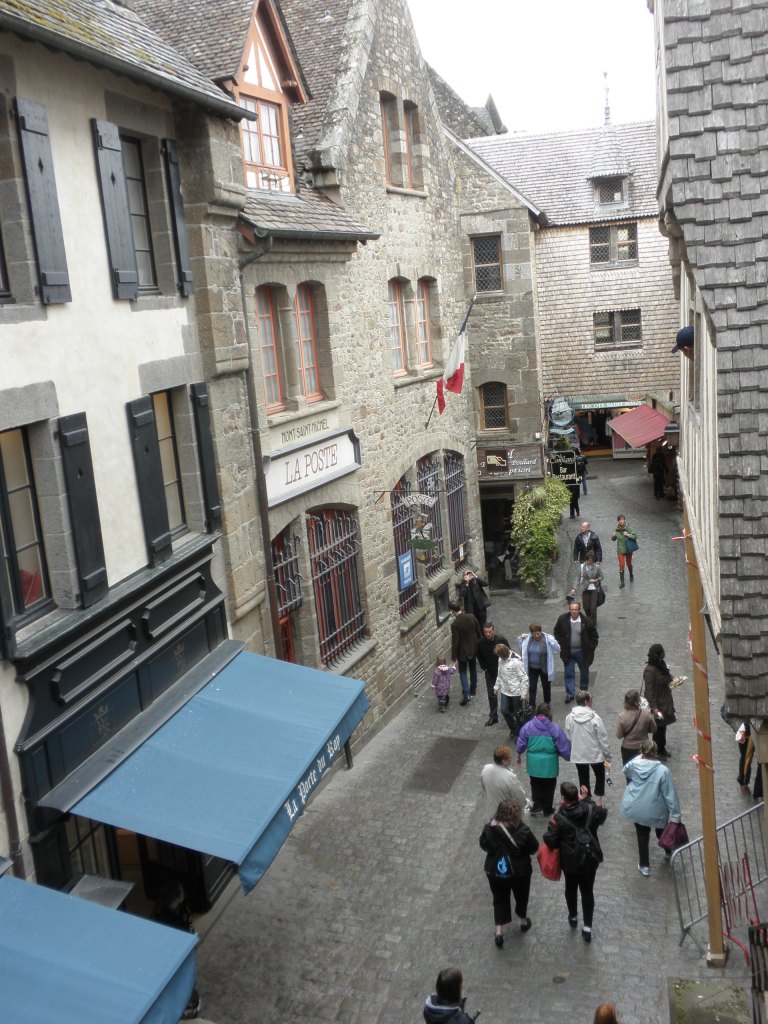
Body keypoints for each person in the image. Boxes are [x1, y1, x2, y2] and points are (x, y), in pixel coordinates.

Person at [543, 781, 607, 942]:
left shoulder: (558, 818)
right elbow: (601, 815)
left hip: (570, 861)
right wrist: (587, 800)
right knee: (587, 890)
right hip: (589, 858)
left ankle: (573, 916)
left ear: (563, 797)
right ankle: (587, 927)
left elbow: (551, 841)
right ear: (577, 796)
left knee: (570, 888)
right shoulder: (589, 809)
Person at [479, 798, 539, 946]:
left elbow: (483, 845)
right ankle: (523, 921)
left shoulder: (489, 828)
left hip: (495, 870)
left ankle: (499, 932)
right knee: (521, 896)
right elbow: (534, 848)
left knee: (499, 898)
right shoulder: (524, 830)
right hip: (520, 871)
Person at [621, 739, 682, 876]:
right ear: (655, 753)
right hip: (657, 809)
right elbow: (670, 794)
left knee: (642, 836)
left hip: (637, 806)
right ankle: (668, 850)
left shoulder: (634, 765)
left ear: (641, 752)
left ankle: (644, 865)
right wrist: (676, 816)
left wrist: (639, 756)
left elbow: (625, 770)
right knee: (662, 831)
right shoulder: (663, 771)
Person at [153, 880, 201, 1019]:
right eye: (181, 892)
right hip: (174, 952)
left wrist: (193, 938)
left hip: (186, 947)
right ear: (176, 897)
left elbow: (189, 925)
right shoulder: (162, 916)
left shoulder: (183, 907)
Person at [516, 704, 571, 816]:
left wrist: (518, 754)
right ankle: (547, 808)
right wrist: (568, 756)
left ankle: (537, 804)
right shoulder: (554, 728)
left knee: (535, 783)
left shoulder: (528, 726)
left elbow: (521, 742)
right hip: (550, 763)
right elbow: (563, 745)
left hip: (533, 763)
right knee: (549, 785)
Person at [565, 691, 611, 805]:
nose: (592, 702)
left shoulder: (569, 718)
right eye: (591, 700)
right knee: (600, 775)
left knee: (583, 777)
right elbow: (603, 738)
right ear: (586, 702)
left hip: (578, 754)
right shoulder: (595, 718)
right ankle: (599, 800)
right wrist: (607, 755)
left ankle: (586, 799)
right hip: (595, 754)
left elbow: (568, 736)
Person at [553, 601, 599, 702]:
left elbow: (594, 636)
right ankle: (570, 694)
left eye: (576, 609)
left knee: (584, 672)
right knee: (568, 672)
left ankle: (583, 691)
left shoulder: (586, 621)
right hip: (568, 652)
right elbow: (557, 632)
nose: (574, 611)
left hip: (581, 652)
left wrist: (591, 647)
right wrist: (560, 643)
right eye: (572, 609)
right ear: (569, 610)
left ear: (579, 610)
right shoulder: (562, 619)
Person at [643, 644, 676, 758]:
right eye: (663, 651)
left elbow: (667, 677)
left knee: (663, 726)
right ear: (659, 654)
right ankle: (655, 751)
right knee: (657, 729)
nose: (665, 652)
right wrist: (654, 708)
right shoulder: (650, 671)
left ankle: (662, 748)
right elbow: (649, 692)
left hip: (665, 701)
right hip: (657, 704)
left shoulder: (661, 664)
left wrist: (675, 681)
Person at [476, 622, 511, 726]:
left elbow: (508, 652)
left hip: (503, 671)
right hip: (490, 672)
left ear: (493, 631)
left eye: (490, 632)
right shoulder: (480, 643)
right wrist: (484, 667)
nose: (488, 634)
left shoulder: (501, 640)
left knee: (508, 691)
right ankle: (493, 716)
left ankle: (510, 712)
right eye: (486, 632)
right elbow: (479, 656)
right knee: (491, 694)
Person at [517, 623, 560, 707]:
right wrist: (520, 638)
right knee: (532, 687)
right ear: (531, 633)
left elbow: (557, 648)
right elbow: (522, 650)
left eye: (538, 633)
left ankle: (547, 703)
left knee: (546, 686)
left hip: (544, 668)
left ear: (541, 632)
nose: (536, 636)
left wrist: (552, 649)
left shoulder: (547, 639)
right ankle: (532, 705)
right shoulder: (528, 639)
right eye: (534, 634)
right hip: (532, 668)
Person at [449, 600, 481, 706]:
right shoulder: (471, 617)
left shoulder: (455, 624)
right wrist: (480, 644)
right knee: (473, 669)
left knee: (462, 672)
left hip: (462, 652)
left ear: (453, 611)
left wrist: (453, 658)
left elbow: (455, 642)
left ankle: (466, 693)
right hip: (473, 648)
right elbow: (478, 631)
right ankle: (473, 690)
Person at [481, 745, 527, 818]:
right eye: (509, 758)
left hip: (491, 811)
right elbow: (519, 796)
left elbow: (484, 787)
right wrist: (525, 804)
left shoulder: (485, 769)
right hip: (506, 814)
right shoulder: (510, 776)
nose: (511, 759)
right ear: (504, 761)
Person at [494, 644, 529, 737]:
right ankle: (514, 729)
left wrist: (523, 694)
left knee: (518, 715)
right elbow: (500, 674)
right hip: (505, 691)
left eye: (500, 655)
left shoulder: (516, 662)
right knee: (504, 710)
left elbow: (524, 678)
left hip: (516, 692)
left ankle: (520, 733)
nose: (499, 657)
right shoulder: (500, 660)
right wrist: (496, 687)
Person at [616, 689, 657, 765]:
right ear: (639, 700)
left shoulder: (622, 716)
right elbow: (654, 729)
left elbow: (619, 735)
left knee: (629, 769)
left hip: (627, 748)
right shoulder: (647, 714)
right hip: (643, 747)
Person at [571, 549, 604, 626]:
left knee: (593, 608)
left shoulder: (597, 567)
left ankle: (592, 623)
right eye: (588, 560)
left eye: (591, 560)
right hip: (585, 589)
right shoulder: (582, 567)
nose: (590, 562)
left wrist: (595, 580)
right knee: (586, 607)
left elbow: (602, 577)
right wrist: (574, 588)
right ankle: (589, 618)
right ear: (586, 559)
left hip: (594, 589)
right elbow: (577, 578)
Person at [611, 514, 637, 588]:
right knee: (621, 565)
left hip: (628, 549)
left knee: (629, 564)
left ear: (624, 520)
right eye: (620, 520)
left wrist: (628, 534)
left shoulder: (628, 528)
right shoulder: (616, 530)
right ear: (618, 521)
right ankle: (622, 582)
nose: (621, 521)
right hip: (620, 550)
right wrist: (613, 536)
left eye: (622, 520)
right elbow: (613, 539)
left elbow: (635, 536)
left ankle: (631, 574)